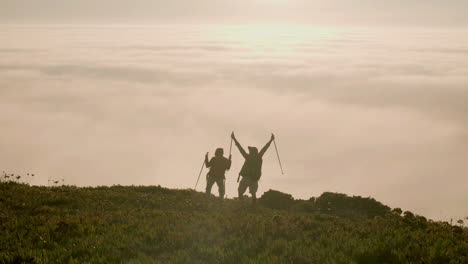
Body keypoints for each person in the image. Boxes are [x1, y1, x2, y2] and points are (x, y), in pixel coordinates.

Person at [231, 132, 274, 203]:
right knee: (253, 193)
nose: (249, 151)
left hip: (246, 177)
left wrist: (234, 139)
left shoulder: (248, 157)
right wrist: (271, 140)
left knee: (240, 191)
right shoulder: (259, 156)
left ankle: (241, 204)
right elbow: (265, 148)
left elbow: (240, 148)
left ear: (252, 151)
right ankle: (254, 206)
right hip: (255, 178)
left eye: (250, 150)